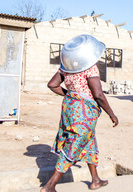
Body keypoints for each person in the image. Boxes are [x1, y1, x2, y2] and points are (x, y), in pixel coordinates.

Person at [41, 35, 119, 192]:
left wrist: (71, 95)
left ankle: (95, 180)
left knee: (89, 142)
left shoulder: (66, 68)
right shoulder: (91, 68)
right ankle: (50, 185)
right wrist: (112, 114)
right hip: (84, 114)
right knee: (75, 144)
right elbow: (98, 95)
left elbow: (52, 84)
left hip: (70, 110)